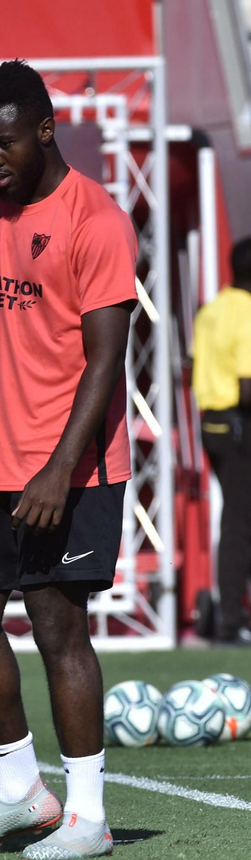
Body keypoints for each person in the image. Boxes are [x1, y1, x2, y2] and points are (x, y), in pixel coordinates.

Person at [0, 60, 137, 860]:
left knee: (57, 627)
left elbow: (107, 358)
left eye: (4, 141)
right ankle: (21, 794)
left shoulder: (97, 220)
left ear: (45, 129)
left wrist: (58, 469)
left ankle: (87, 816)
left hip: (68, 466)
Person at [192, 236, 251, 646]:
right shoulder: (246, 311)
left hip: (213, 422)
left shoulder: (212, 309)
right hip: (239, 424)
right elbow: (247, 387)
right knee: (239, 523)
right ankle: (232, 621)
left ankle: (232, 615)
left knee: (238, 519)